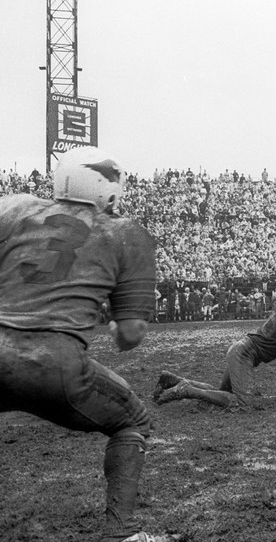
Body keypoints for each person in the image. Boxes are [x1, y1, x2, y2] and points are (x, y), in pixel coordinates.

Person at [0, 147, 166, 542]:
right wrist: (115, 328)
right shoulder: (126, 232)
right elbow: (130, 334)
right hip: (52, 361)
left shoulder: (14, 208)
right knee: (133, 420)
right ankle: (121, 533)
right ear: (109, 190)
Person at [154, 271, 276, 408]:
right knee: (241, 403)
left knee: (221, 394)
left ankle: (173, 380)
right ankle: (186, 389)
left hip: (242, 350)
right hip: (245, 354)